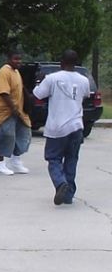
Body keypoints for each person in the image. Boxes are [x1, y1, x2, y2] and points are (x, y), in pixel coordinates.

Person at [32, 49, 90, 205]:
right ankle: (68, 194)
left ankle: (60, 183)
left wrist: (39, 81)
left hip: (57, 127)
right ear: (76, 63)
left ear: (61, 63)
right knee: (72, 159)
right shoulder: (84, 80)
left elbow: (38, 94)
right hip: (77, 126)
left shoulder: (52, 78)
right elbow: (85, 97)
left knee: (53, 158)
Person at [0, 50, 31, 175]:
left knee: (23, 135)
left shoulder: (16, 72)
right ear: (9, 59)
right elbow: (4, 93)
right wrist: (13, 108)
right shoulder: (4, 72)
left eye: (19, 59)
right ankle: (0, 164)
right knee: (6, 136)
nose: (18, 62)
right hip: (5, 111)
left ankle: (16, 161)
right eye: (15, 59)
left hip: (18, 111)